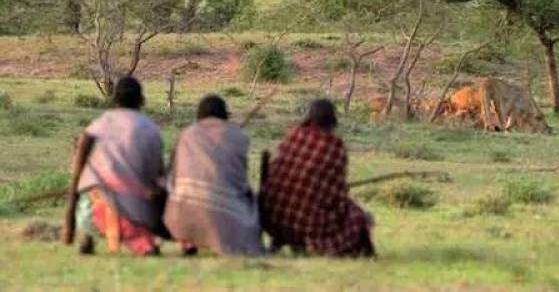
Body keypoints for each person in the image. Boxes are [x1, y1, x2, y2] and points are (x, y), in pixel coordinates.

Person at [260, 99, 375, 257]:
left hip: (271, 216)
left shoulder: (294, 134)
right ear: (332, 120)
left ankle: (281, 241)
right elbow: (336, 195)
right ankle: (352, 250)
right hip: (307, 225)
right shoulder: (334, 146)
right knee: (358, 216)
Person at [74, 76, 168, 256]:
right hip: (138, 214)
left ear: (114, 99)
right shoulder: (151, 130)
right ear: (142, 100)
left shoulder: (100, 124)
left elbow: (82, 152)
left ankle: (86, 234)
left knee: (91, 192)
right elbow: (158, 175)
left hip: (93, 216)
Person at [163, 95, 264, 256]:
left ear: (199, 115)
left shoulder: (187, 134)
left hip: (180, 218)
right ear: (225, 115)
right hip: (226, 217)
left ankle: (187, 241)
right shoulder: (238, 137)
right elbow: (240, 181)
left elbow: (170, 177)